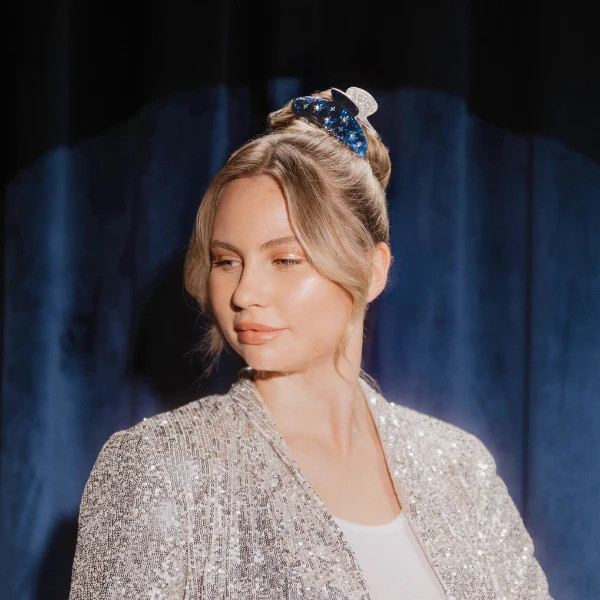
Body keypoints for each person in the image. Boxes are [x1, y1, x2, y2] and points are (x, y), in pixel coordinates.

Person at [68, 87, 553, 599]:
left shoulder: (458, 467)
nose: (244, 293)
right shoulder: (157, 467)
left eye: (284, 260)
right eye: (227, 261)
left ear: (372, 270)